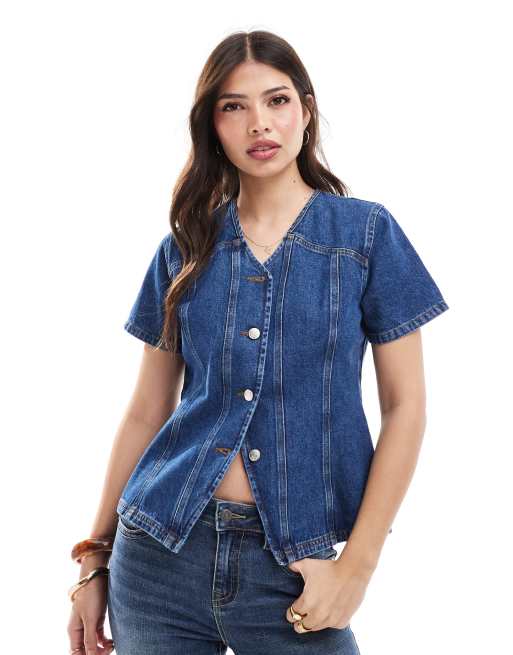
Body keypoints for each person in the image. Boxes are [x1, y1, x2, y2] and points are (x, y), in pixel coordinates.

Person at [67, 29, 449, 655]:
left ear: (306, 110)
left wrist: (356, 570)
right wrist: (94, 559)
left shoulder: (365, 236)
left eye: (276, 100)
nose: (259, 124)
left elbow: (406, 408)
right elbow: (146, 411)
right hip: (159, 559)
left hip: (295, 569)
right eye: (233, 106)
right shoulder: (185, 248)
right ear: (212, 126)